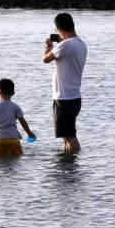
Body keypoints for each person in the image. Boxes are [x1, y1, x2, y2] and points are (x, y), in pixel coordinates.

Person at [43, 13, 87, 155]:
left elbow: (46, 59)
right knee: (66, 137)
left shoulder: (66, 45)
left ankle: (72, 166)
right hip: (73, 96)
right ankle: (67, 167)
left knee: (70, 137)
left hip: (64, 97)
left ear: (58, 28)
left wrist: (49, 46)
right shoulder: (80, 43)